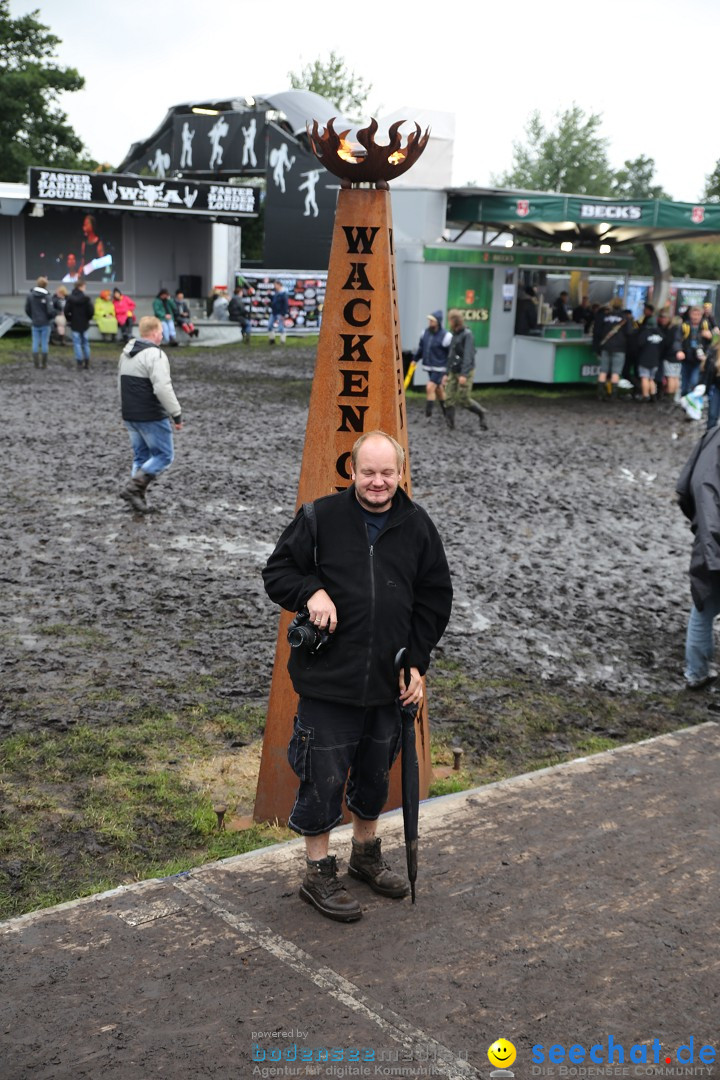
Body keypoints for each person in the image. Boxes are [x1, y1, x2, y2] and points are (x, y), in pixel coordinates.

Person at [262, 430, 453, 923]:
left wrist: (416, 661)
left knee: (374, 773)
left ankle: (364, 855)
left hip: (388, 683)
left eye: (387, 472)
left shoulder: (416, 525)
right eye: (368, 472)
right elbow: (277, 571)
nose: (378, 482)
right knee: (322, 778)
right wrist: (310, 591)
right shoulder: (319, 518)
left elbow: (435, 599)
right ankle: (317, 871)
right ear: (351, 470)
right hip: (329, 683)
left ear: (400, 472)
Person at [117, 315, 183, 514]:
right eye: (161, 331)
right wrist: (176, 413)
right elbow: (162, 387)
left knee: (141, 456)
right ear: (154, 333)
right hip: (151, 414)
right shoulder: (155, 355)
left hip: (130, 413)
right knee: (164, 455)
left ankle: (136, 498)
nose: (162, 335)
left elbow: (120, 384)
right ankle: (133, 488)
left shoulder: (126, 353)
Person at [676, 424, 720, 689]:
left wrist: (699, 526)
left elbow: (684, 487)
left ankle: (696, 673)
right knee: (703, 609)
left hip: (708, 535)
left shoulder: (713, 434)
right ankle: (696, 672)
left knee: (703, 607)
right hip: (712, 533)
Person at [445, 310, 488, 431]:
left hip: (465, 371)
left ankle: (481, 414)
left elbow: (469, 356)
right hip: (454, 370)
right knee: (448, 397)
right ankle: (450, 426)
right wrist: (446, 373)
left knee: (464, 399)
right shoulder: (454, 334)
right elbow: (451, 354)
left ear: (454, 321)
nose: (449, 322)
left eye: (450, 320)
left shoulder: (467, 334)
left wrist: (464, 374)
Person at [414, 310, 452, 420]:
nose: (430, 322)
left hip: (440, 368)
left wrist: (447, 372)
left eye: (432, 320)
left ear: (438, 322)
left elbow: (451, 355)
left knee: (430, 387)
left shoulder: (446, 336)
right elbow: (421, 348)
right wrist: (415, 359)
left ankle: (428, 413)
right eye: (429, 320)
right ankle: (447, 413)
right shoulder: (425, 333)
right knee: (439, 390)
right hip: (430, 367)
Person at [593, 298, 629, 400]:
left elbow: (598, 331)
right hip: (619, 348)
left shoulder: (605, 316)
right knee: (615, 372)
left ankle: (600, 394)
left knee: (603, 371)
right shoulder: (624, 318)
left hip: (606, 346)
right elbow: (629, 332)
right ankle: (613, 395)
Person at [674, 306, 713, 397]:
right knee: (684, 382)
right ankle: (684, 399)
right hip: (686, 358)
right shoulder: (684, 326)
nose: (695, 317)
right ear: (690, 314)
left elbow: (712, 344)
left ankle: (691, 399)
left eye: (698, 314)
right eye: (694, 314)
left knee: (694, 381)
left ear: (701, 315)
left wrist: (710, 337)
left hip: (699, 359)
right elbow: (677, 340)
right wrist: (679, 350)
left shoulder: (706, 325)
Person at [24, 276, 57, 368]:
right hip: (45, 323)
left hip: (35, 322)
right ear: (46, 285)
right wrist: (52, 316)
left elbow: (27, 309)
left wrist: (33, 317)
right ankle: (44, 364)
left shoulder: (30, 295)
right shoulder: (47, 296)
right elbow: (50, 311)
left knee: (35, 342)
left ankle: (36, 363)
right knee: (44, 343)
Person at [64, 278, 94, 370]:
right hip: (84, 324)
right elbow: (91, 311)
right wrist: (87, 319)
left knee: (77, 343)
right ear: (81, 286)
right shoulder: (86, 299)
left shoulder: (70, 298)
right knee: (85, 343)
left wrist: (70, 319)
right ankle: (87, 362)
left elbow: (66, 311)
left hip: (74, 323)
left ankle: (79, 363)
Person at [701, 329, 720, 430]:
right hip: (716, 388)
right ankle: (709, 441)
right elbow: (707, 371)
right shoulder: (715, 351)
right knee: (712, 416)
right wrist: (705, 387)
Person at [268, 280, 289, 344]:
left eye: (275, 285)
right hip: (274, 312)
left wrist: (284, 314)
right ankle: (272, 339)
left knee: (280, 327)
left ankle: (282, 341)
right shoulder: (276, 293)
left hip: (280, 313)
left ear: (279, 285)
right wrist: (269, 296)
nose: (274, 286)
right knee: (269, 325)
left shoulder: (283, 293)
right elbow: (274, 301)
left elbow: (285, 304)